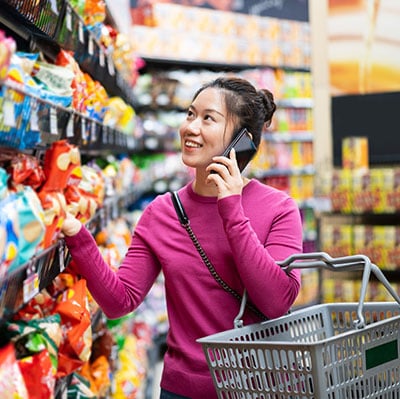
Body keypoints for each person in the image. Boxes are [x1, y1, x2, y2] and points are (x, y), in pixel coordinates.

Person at [61, 76, 303, 399]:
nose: (191, 128)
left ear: (242, 140)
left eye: (208, 119)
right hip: (182, 391)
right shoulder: (162, 213)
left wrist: (231, 209)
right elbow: (120, 301)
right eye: (190, 114)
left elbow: (276, 301)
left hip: (259, 387)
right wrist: (79, 237)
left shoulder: (280, 209)